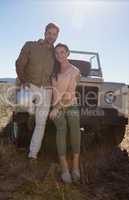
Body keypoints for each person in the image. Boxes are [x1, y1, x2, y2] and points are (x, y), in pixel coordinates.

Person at [16, 23, 59, 159]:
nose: (51, 36)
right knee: (22, 103)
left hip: (46, 90)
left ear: (57, 36)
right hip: (30, 85)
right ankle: (30, 116)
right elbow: (19, 63)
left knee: (41, 123)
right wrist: (23, 81)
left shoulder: (56, 53)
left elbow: (63, 66)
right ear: (45, 32)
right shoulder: (30, 45)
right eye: (49, 33)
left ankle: (32, 155)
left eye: (54, 34)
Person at [49, 43, 81, 183]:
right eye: (57, 53)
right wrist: (54, 107)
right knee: (61, 128)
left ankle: (75, 164)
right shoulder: (53, 70)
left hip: (70, 104)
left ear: (68, 53)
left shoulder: (75, 71)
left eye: (62, 52)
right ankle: (64, 166)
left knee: (75, 128)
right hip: (56, 105)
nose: (59, 55)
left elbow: (69, 93)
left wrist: (57, 108)